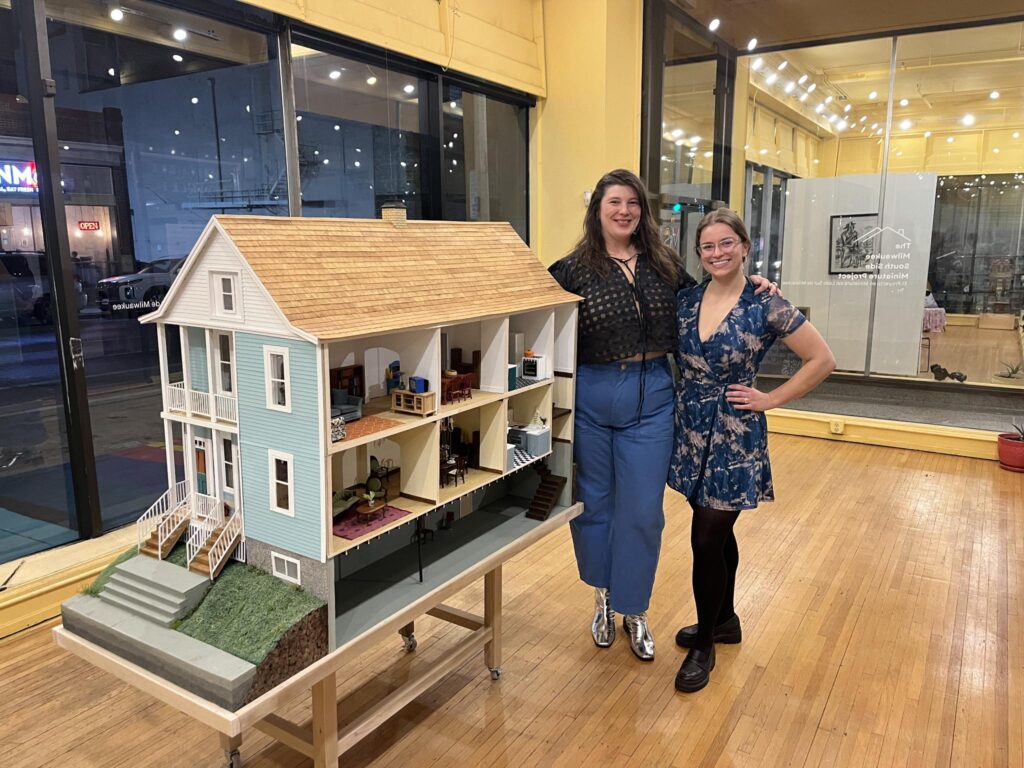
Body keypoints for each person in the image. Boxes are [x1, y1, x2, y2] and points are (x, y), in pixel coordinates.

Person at [548, 171, 776, 661]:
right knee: (593, 506)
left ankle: (636, 608)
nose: (624, 210)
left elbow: (715, 292)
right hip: (590, 392)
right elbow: (534, 316)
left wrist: (752, 280)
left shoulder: (665, 266)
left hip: (652, 393)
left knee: (643, 512)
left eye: (633, 202)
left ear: (642, 211)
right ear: (598, 209)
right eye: (615, 202)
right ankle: (604, 596)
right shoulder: (570, 270)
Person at [669, 208, 835, 692]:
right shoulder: (686, 299)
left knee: (705, 539)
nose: (717, 253)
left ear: (745, 246)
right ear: (699, 255)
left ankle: (705, 645)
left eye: (726, 243)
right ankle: (724, 619)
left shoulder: (767, 304)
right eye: (707, 247)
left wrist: (771, 398)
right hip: (692, 428)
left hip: (735, 433)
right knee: (716, 531)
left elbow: (821, 359)